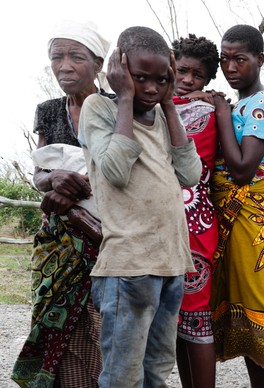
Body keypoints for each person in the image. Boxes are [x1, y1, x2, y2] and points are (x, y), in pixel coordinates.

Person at [78, 26, 202, 386]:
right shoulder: (100, 107)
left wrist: (168, 103)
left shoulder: (163, 113)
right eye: (139, 77)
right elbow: (115, 171)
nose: (150, 87)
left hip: (172, 261)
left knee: (157, 370)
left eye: (160, 80)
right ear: (119, 71)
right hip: (130, 264)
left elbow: (190, 173)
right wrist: (126, 99)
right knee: (122, 374)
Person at [11, 20, 111, 388]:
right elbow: (39, 172)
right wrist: (52, 179)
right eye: (57, 57)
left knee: (99, 324)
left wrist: (85, 184)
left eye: (75, 57)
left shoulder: (119, 108)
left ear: (98, 64)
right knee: (53, 320)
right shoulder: (49, 110)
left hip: (105, 237)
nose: (64, 65)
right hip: (58, 241)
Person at [209, 24, 264, 387]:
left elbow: (243, 170)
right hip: (230, 218)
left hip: (251, 220)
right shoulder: (239, 104)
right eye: (224, 59)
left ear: (259, 60)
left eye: (239, 59)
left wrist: (221, 114)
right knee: (244, 317)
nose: (230, 67)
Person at [171, 34, 220, 388]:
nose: (188, 80)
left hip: (193, 220)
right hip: (161, 218)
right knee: (173, 318)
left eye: (197, 75)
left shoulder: (204, 111)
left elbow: (196, 169)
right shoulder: (158, 103)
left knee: (195, 314)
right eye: (182, 70)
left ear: (207, 79)